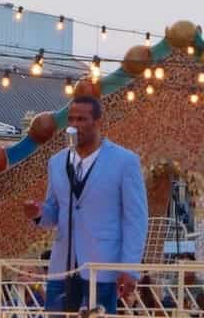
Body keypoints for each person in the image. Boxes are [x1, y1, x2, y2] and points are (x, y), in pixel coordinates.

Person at [22, 95, 148, 315]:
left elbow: (135, 219)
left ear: (97, 122)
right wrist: (38, 212)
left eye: (81, 119)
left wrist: (130, 268)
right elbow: (54, 212)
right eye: (71, 119)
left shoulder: (125, 161)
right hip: (62, 267)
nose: (74, 125)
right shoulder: (58, 162)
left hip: (102, 267)